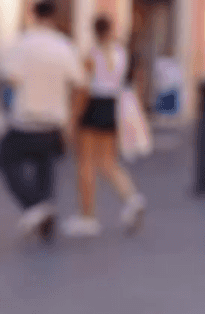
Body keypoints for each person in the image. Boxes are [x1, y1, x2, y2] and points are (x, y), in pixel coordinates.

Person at [0, 0, 83, 242]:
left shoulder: (23, 44)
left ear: (33, 15)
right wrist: (71, 122)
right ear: (54, 17)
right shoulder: (65, 46)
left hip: (26, 120)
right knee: (46, 170)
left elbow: (10, 80)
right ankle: (46, 223)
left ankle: (33, 205)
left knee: (6, 160)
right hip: (54, 122)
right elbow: (79, 84)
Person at [62, 15, 145, 237]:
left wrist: (73, 118)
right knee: (108, 161)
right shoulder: (120, 54)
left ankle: (87, 216)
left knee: (86, 163)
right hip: (112, 107)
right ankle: (132, 197)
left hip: (93, 107)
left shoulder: (91, 55)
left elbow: (83, 89)